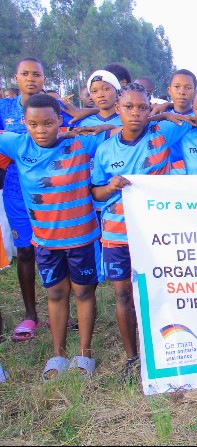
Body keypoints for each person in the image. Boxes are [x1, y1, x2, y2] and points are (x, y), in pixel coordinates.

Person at [0, 94, 113, 381]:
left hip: (82, 239)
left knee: (84, 293)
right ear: (24, 123)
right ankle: (58, 354)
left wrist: (96, 127)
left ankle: (84, 353)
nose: (41, 130)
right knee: (55, 294)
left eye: (49, 123)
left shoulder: (80, 143)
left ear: (60, 121)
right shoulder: (17, 145)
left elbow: (122, 127)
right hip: (46, 242)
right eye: (33, 124)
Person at [90, 83, 195, 383]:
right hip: (117, 233)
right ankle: (131, 357)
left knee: (163, 289)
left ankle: (167, 350)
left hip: (155, 233)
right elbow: (95, 193)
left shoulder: (162, 134)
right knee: (123, 294)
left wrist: (163, 113)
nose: (135, 113)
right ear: (117, 109)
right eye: (128, 107)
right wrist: (110, 187)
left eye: (142, 107)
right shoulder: (105, 149)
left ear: (150, 109)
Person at [0, 57, 73, 342]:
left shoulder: (58, 108)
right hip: (17, 189)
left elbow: (76, 133)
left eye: (37, 74)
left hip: (54, 189)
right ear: (15, 77)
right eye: (25, 74)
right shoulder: (4, 108)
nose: (31, 79)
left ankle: (63, 310)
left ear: (44, 78)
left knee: (61, 248)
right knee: (26, 250)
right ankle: (31, 314)